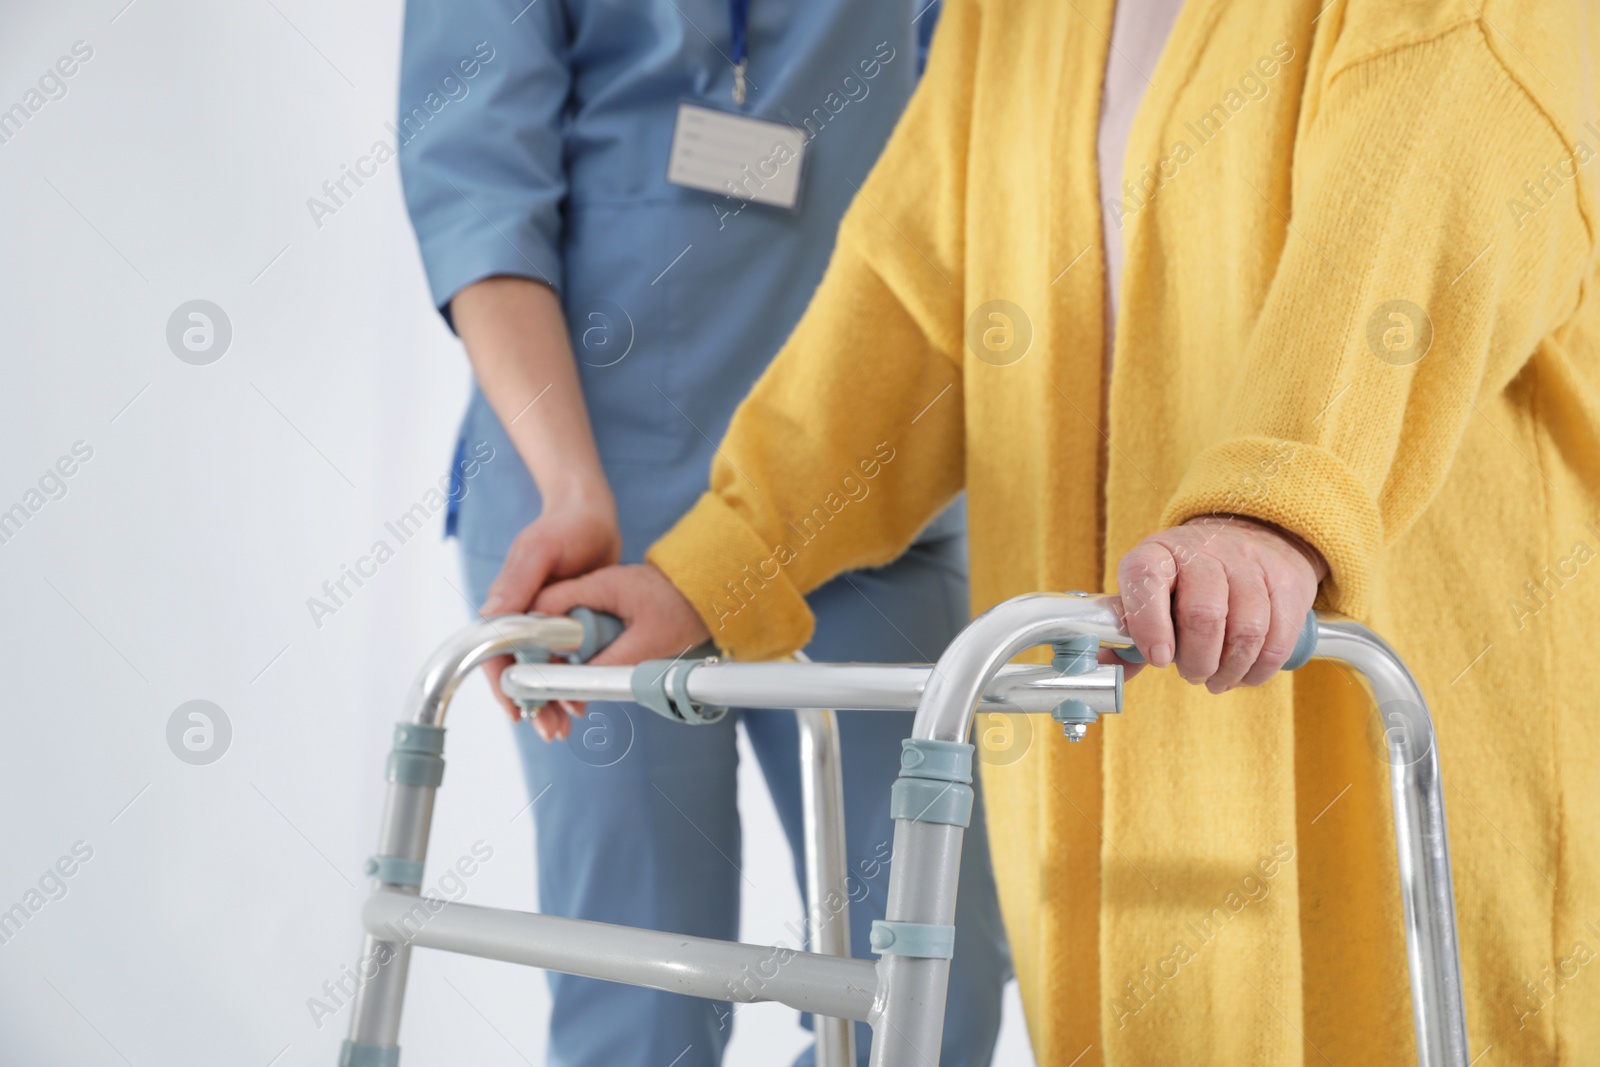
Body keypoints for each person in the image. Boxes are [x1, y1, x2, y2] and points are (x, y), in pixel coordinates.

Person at [534, 0, 1600, 1063]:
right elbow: (912, 301)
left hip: (1406, 716)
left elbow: (1424, 195)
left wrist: (1268, 505)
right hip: (1119, 745)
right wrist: (722, 559)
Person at [397, 2, 1010, 1065]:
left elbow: (974, 159)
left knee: (935, 985)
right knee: (647, 1006)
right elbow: (481, 207)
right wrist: (572, 488)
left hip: (857, 505)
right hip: (593, 514)